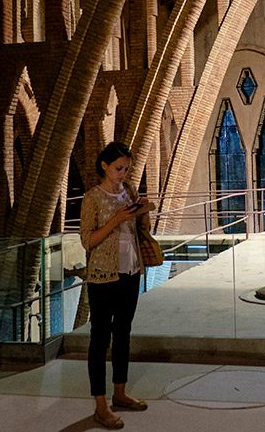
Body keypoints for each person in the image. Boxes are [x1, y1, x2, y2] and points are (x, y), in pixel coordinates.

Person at [80, 141, 154, 429]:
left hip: (130, 272)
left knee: (123, 332)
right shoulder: (93, 198)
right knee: (100, 339)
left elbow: (137, 229)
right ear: (104, 166)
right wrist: (116, 220)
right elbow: (88, 240)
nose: (123, 173)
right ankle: (100, 405)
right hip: (103, 276)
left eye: (127, 168)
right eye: (119, 168)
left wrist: (142, 210)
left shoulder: (130, 191)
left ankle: (120, 393)